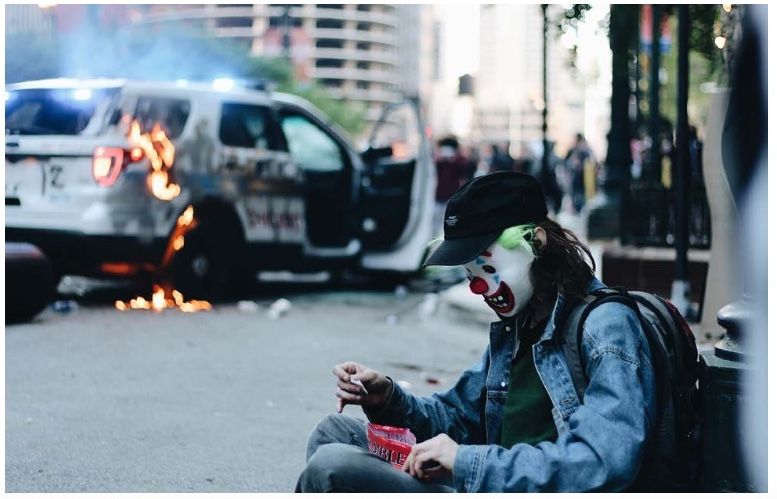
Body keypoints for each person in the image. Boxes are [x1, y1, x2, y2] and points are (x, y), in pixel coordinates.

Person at [295, 172, 656, 492]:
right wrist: (388, 399)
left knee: (332, 467)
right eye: (471, 276)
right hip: (492, 478)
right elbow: (458, 419)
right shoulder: (519, 325)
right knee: (333, 432)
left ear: (537, 243)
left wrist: (466, 462)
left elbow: (603, 461)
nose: (478, 289)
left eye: (485, 268)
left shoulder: (606, 326)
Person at [432, 136, 474, 236]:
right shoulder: (439, 161)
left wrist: (454, 160)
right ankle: (433, 240)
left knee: (452, 222)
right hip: (440, 196)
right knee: (436, 222)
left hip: (453, 196)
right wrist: (439, 160)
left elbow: (464, 172)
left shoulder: (460, 160)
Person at [565, 133, 593, 213]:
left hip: (583, 179)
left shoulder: (586, 151)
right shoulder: (573, 151)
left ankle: (580, 209)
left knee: (581, 196)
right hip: (576, 179)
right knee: (575, 195)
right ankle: (576, 208)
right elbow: (567, 163)